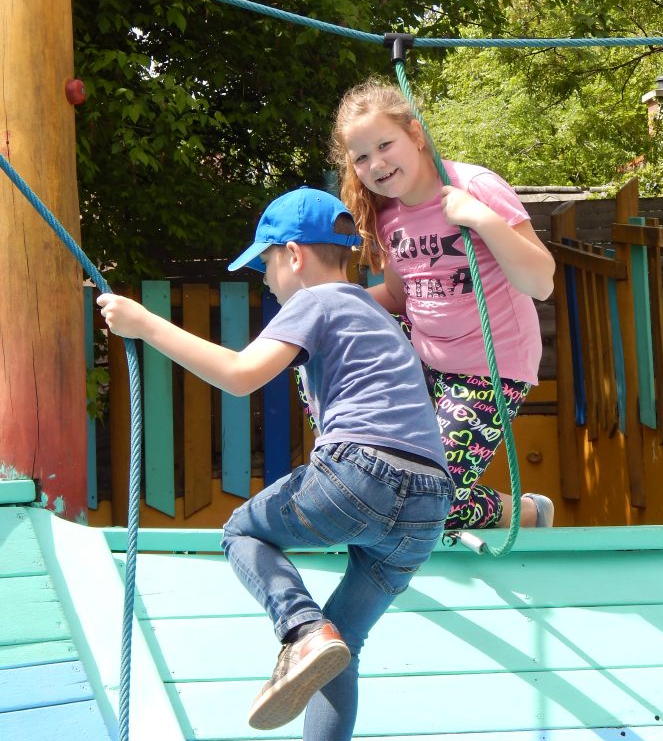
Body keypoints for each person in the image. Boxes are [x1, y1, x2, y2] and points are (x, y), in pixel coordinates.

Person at [97, 186, 453, 740]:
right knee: (343, 645)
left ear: (294, 254)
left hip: (362, 472)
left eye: (265, 263)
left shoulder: (316, 300)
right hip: (430, 504)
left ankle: (302, 629)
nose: (265, 279)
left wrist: (145, 325)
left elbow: (240, 376)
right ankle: (318, 640)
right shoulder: (378, 316)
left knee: (242, 531)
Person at [329, 77, 557, 534]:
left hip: (489, 370)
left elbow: (541, 282)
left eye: (385, 145)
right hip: (425, 363)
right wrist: (331, 305)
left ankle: (526, 513)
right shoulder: (388, 215)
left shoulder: (474, 185)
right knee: (395, 489)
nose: (376, 163)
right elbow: (399, 298)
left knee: (421, 500)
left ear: (416, 134)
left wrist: (481, 218)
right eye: (361, 157)